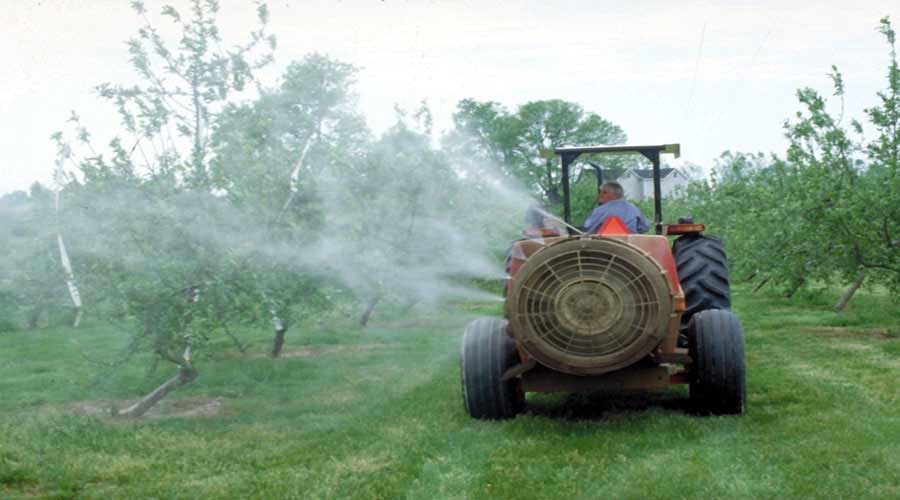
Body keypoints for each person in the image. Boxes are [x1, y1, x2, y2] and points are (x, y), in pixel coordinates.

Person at [583, 182, 650, 234]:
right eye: (600, 192)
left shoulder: (601, 210)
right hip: (630, 246)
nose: (600, 195)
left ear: (615, 195)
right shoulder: (634, 208)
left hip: (606, 246)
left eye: (604, 192)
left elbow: (588, 228)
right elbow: (645, 227)